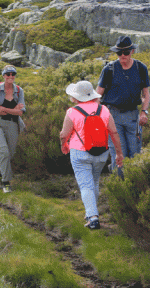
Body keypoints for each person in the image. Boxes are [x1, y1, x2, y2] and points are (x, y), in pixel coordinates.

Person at [59, 80, 123, 230]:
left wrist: (64, 144)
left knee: (85, 185)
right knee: (94, 182)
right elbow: (113, 132)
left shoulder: (73, 112)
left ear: (76, 97)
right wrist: (118, 153)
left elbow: (64, 134)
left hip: (79, 152)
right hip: (101, 153)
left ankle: (93, 218)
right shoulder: (104, 110)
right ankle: (91, 212)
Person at [95, 36, 149, 170]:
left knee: (135, 154)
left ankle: (133, 187)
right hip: (113, 116)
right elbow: (98, 94)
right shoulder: (109, 69)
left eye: (126, 52)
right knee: (118, 154)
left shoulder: (141, 68)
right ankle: (119, 185)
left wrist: (144, 112)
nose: (122, 55)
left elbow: (146, 94)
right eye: (119, 53)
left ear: (132, 52)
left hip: (133, 116)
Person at [0, 65, 26, 193]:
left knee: (10, 154)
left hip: (13, 124)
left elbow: (21, 113)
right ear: (3, 75)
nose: (10, 76)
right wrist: (13, 110)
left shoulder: (19, 91)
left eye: (13, 74)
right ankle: (5, 182)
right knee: (3, 152)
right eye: (8, 74)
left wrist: (3, 109)